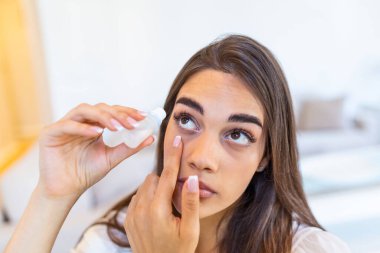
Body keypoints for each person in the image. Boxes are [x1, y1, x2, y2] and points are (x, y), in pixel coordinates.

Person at [4, 35, 351, 253]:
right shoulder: (113, 241)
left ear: (266, 157)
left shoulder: (312, 249)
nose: (202, 158)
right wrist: (53, 195)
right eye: (187, 120)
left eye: (238, 134)